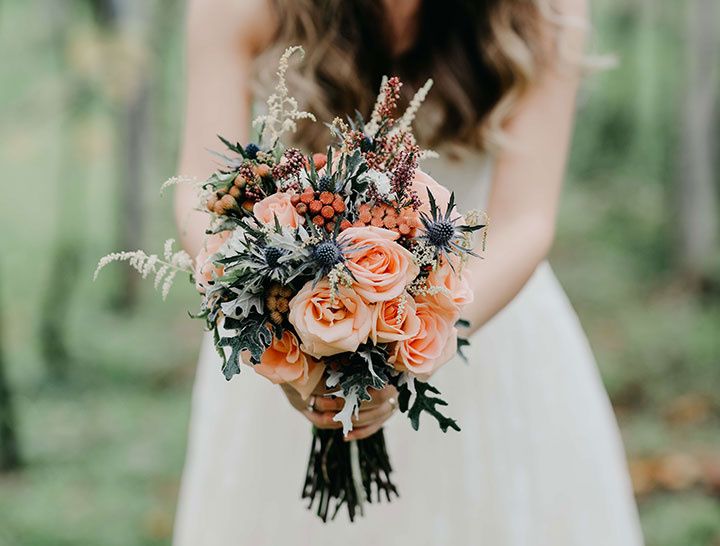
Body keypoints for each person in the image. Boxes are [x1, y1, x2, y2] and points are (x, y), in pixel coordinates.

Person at [172, 0, 644, 544]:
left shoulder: (547, 11)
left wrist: (412, 338)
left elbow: (526, 221)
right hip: (284, 329)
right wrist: (276, 325)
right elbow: (200, 188)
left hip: (480, 314)